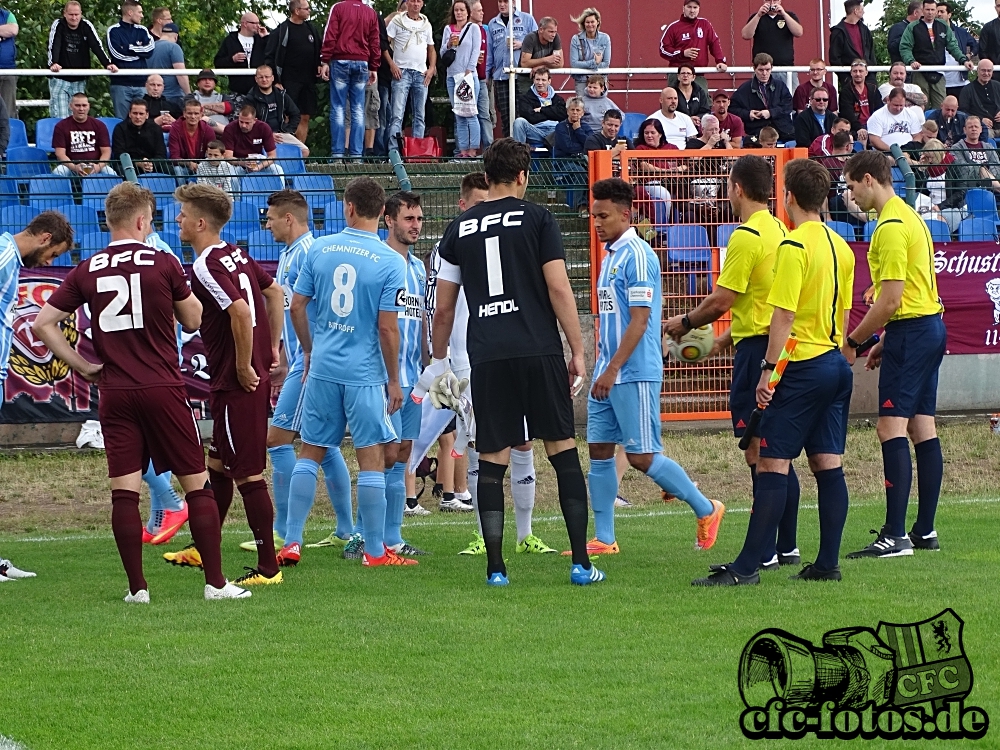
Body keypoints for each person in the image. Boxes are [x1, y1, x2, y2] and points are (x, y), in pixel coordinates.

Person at [32, 184, 250, 601]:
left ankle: (137, 589)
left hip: (115, 388)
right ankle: (216, 584)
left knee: (124, 492)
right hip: (162, 386)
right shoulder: (162, 260)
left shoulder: (88, 267)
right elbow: (192, 320)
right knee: (197, 483)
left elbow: (43, 323)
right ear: (141, 221)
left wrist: (83, 366)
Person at [427, 138, 602, 586]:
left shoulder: (458, 228)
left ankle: (496, 568)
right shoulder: (539, 218)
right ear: (524, 176)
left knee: (493, 456)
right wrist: (578, 350)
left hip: (488, 354)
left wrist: (439, 359)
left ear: (486, 178)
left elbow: (443, 308)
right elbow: (560, 289)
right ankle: (581, 562)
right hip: (538, 348)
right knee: (561, 449)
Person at [693, 158, 855, 586]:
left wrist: (767, 371)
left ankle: (747, 568)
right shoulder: (841, 245)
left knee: (771, 463)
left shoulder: (795, 246)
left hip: (800, 366)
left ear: (788, 198)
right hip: (835, 363)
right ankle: (826, 563)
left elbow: (782, 315)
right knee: (826, 462)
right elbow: (843, 308)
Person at [665, 154, 800, 573]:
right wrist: (722, 341)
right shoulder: (779, 228)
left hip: (756, 352)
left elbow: (724, 298)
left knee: (759, 452)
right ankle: (786, 546)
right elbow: (758, 301)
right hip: (773, 346)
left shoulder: (745, 235)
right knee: (777, 452)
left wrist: (682, 323)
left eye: (727, 185)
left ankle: (767, 550)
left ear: (737, 189)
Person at [587, 177, 725, 557]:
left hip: (633, 371)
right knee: (598, 448)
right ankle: (604, 538)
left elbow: (639, 320)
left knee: (642, 456)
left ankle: (707, 508)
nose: (597, 222)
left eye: (604, 216)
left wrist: (613, 368)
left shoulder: (638, 255)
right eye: (594, 215)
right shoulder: (611, 255)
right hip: (608, 370)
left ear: (625, 215)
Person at [285, 177, 418, 568]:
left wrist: (309, 351)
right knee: (372, 459)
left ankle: (291, 541)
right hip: (364, 373)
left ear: (348, 207)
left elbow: (295, 306)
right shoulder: (390, 260)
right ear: (383, 214)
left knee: (310, 452)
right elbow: (387, 327)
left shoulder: (320, 248)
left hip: (323, 367)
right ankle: (375, 552)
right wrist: (394, 380)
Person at [165, 182, 286, 586]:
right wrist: (272, 348)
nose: (177, 220)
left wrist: (243, 366)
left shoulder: (205, 265)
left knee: (248, 473)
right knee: (216, 464)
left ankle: (269, 568)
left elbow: (237, 311)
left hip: (236, 385)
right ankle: (204, 548)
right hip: (238, 380)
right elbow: (275, 292)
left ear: (200, 222)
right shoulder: (234, 253)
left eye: (182, 214)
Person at [842, 150, 946, 559]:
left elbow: (889, 300)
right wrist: (887, 339)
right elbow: (912, 292)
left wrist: (855, 341)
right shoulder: (909, 214)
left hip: (913, 330)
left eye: (851, 186)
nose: (851, 196)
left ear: (869, 180)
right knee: (922, 427)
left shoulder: (890, 225)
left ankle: (895, 535)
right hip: (927, 326)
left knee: (890, 428)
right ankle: (924, 531)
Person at [253, 190, 355, 558]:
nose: (266, 224)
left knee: (278, 439)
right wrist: (281, 352)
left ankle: (283, 531)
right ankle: (346, 528)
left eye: (271, 219)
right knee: (323, 445)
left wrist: (304, 355)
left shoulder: (308, 254)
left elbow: (301, 309)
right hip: (303, 359)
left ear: (289, 219)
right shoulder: (292, 254)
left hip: (311, 363)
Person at [0, 212, 74, 582]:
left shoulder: (9, 259)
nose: (51, 263)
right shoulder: (3, 253)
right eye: (54, 254)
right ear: (45, 238)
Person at [370, 191, 430, 557]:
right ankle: (366, 534)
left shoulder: (418, 268)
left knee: (405, 451)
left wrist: (428, 365)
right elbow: (380, 324)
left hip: (413, 375)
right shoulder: (378, 260)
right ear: (388, 220)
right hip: (382, 375)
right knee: (382, 454)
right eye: (409, 219)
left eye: (419, 219)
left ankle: (393, 538)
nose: (416, 226)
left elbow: (420, 319)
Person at [265, 0, 324, 145]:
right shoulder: (281, 30)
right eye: (306, 8)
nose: (309, 11)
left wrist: (320, 65)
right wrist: (276, 81)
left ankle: (300, 152)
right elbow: (270, 57)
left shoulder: (311, 29)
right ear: (297, 11)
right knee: (288, 116)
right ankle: (287, 152)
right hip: (288, 81)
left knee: (305, 117)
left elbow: (319, 50)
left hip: (308, 81)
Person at [47, 1, 117, 120]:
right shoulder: (59, 24)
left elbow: (96, 45)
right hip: (60, 78)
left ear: (81, 14)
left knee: (79, 117)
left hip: (79, 80)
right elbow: (54, 44)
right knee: (60, 117)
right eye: (71, 14)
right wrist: (54, 63)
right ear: (65, 14)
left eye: (76, 14)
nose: (74, 18)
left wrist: (107, 63)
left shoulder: (86, 26)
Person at [899, 0, 973, 111]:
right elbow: (905, 47)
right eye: (927, 9)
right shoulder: (913, 27)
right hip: (920, 71)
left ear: (936, 11)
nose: (930, 12)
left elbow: (953, 46)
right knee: (920, 106)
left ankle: (939, 128)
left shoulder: (943, 26)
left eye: (933, 9)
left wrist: (963, 60)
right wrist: (911, 61)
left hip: (939, 71)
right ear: (923, 10)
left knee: (940, 107)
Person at [386, 0, 436, 148]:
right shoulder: (397, 21)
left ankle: (416, 152)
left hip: (421, 73)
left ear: (422, 4)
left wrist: (431, 68)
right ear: (407, 3)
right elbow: (383, 44)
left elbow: (431, 49)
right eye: (413, 1)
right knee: (397, 115)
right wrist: (392, 64)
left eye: (418, 1)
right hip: (402, 72)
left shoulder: (426, 24)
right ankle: (393, 151)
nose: (415, 4)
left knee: (420, 116)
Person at [485, 0, 537, 134]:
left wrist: (522, 44)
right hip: (501, 75)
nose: (502, 5)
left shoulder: (526, 19)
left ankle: (522, 148)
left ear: (513, 2)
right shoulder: (493, 23)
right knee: (505, 115)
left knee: (523, 112)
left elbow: (538, 43)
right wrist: (487, 74)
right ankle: (508, 149)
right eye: (499, 1)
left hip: (522, 74)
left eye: (505, 1)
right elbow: (489, 51)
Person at [440, 0, 482, 158]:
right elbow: (442, 53)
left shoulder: (473, 28)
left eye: (462, 10)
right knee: (459, 114)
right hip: (452, 76)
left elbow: (475, 50)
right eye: (456, 10)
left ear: (467, 12)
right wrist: (448, 44)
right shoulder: (447, 29)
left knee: (470, 113)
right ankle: (463, 149)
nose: (459, 13)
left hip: (467, 76)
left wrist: (469, 70)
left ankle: (473, 150)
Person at [244, 64, 308, 156]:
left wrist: (289, 130)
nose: (264, 80)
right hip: (260, 136)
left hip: (281, 134)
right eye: (261, 77)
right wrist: (267, 135)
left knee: (304, 151)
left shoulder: (281, 95)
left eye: (267, 77)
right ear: (256, 79)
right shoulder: (250, 98)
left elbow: (295, 113)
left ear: (272, 78)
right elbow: (249, 121)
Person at [106, 0, 155, 120]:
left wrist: (128, 47)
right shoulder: (113, 30)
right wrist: (139, 52)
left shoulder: (143, 30)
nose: (142, 16)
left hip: (141, 84)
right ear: (129, 12)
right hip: (120, 84)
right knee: (121, 122)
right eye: (140, 12)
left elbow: (149, 51)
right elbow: (117, 54)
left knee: (142, 122)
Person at [730, 53, 794, 143]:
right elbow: (732, 109)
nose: (764, 73)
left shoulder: (780, 85)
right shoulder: (744, 89)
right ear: (754, 69)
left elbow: (788, 105)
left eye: (767, 70)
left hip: (783, 132)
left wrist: (770, 112)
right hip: (757, 134)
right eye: (761, 70)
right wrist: (748, 114)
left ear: (772, 68)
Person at [659, 0, 728, 81]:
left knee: (702, 93)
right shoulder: (674, 27)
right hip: (677, 74)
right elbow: (663, 50)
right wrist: (683, 53)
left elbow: (714, 43)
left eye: (695, 7)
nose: (692, 10)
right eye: (689, 7)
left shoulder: (705, 24)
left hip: (698, 73)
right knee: (672, 94)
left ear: (699, 9)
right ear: (683, 8)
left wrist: (720, 61)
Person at [52, 93, 114, 176]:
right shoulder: (61, 126)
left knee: (111, 174)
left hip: (95, 166)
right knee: (58, 172)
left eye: (84, 105)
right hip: (70, 167)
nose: (81, 109)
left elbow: (106, 151)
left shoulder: (99, 125)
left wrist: (98, 166)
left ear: (89, 106)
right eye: (77, 105)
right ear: (71, 106)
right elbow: (60, 154)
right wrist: (74, 167)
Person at [213, 13, 269, 97]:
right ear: (245, 24)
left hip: (260, 90)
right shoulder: (230, 40)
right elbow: (218, 62)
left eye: (258, 23)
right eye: (255, 23)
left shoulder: (262, 40)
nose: (258, 26)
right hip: (237, 91)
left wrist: (266, 37)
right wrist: (232, 59)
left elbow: (273, 57)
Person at [221, 105, 282, 177]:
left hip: (257, 161)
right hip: (237, 163)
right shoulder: (230, 128)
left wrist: (260, 166)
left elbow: (272, 156)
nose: (243, 125)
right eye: (241, 122)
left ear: (254, 121)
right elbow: (228, 157)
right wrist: (243, 162)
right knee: (230, 174)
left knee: (278, 170)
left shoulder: (264, 128)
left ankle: (282, 188)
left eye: (247, 123)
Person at [512, 66, 566, 144]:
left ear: (549, 81)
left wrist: (541, 110)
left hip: (555, 132)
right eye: (537, 79)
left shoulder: (558, 99)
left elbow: (563, 114)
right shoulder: (525, 98)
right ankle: (519, 154)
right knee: (519, 122)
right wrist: (553, 113)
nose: (540, 83)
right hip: (535, 132)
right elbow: (530, 117)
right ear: (533, 80)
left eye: (543, 80)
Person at [829, 0, 876, 88]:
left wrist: (872, 72)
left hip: (868, 77)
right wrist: (845, 78)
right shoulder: (838, 32)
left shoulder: (865, 30)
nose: (864, 11)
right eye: (862, 9)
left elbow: (871, 52)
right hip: (848, 78)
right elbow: (834, 58)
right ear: (855, 11)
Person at [741, 0, 802, 67]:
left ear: (780, 1)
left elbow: (799, 33)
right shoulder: (756, 17)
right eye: (768, 0)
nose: (772, 3)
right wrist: (758, 15)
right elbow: (746, 35)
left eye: (775, 0)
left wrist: (784, 14)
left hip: (785, 67)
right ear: (764, 2)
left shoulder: (789, 16)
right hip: (762, 68)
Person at [937, 2, 978, 102]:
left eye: (942, 11)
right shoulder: (931, 31)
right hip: (939, 81)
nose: (939, 14)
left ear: (949, 14)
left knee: (962, 110)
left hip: (960, 81)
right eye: (937, 11)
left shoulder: (961, 32)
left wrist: (969, 55)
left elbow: (976, 45)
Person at [111, 99, 166, 173]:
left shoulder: (155, 129)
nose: (138, 117)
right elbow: (119, 154)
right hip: (129, 165)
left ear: (147, 115)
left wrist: (151, 163)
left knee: (171, 170)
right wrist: (137, 163)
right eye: (135, 113)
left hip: (151, 165)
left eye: (141, 114)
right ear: (130, 114)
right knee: (123, 170)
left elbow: (161, 154)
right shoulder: (120, 128)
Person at [569, 7, 610, 98]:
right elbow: (574, 63)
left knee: (600, 107)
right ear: (583, 23)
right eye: (587, 22)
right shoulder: (576, 39)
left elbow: (606, 63)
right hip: (582, 80)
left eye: (592, 22)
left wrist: (594, 64)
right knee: (583, 107)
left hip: (600, 80)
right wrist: (594, 63)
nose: (590, 24)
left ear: (598, 22)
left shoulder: (605, 38)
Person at [866, 87, 924, 152]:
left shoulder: (911, 114)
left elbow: (918, 136)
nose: (898, 108)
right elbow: (874, 140)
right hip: (886, 153)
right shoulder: (877, 116)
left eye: (901, 105)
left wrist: (909, 150)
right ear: (888, 100)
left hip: (909, 151)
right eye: (895, 105)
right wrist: (895, 151)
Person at [168, 98, 215, 177]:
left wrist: (202, 166)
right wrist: (189, 163)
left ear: (201, 114)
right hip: (184, 167)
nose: (193, 117)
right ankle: (182, 189)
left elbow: (213, 153)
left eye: (196, 113)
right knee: (178, 170)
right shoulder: (175, 129)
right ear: (184, 114)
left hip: (203, 166)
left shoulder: (208, 130)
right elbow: (174, 157)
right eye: (190, 113)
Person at [145, 21, 187, 106]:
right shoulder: (174, 47)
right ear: (176, 37)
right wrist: (188, 94)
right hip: (173, 96)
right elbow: (181, 74)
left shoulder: (149, 47)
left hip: (152, 96)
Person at [839, 59, 881, 139]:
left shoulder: (873, 89)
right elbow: (847, 114)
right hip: (855, 127)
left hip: (874, 125)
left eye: (861, 71)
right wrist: (859, 128)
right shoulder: (846, 91)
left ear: (866, 73)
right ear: (851, 73)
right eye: (855, 71)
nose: (858, 74)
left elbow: (879, 110)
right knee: (861, 137)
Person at [959, 60, 1000, 140]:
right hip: (983, 129)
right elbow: (963, 113)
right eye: (983, 70)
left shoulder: (998, 86)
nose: (986, 73)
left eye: (989, 71)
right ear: (977, 71)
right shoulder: (967, 90)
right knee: (984, 134)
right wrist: (980, 120)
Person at [470, 2, 492, 149]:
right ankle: (466, 149)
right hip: (468, 78)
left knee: (485, 114)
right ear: (470, 12)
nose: (482, 13)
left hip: (482, 77)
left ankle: (489, 150)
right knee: (466, 114)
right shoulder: (465, 30)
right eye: (479, 11)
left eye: (482, 10)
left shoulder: (484, 30)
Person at [191, 70, 232, 135]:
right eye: (204, 79)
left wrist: (202, 107)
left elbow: (228, 108)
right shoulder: (191, 96)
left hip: (224, 134)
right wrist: (218, 110)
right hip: (202, 133)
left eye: (210, 79)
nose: (207, 82)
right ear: (198, 83)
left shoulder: (222, 96)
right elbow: (192, 110)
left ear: (214, 84)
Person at [889, 1, 922, 68]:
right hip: (903, 71)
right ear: (915, 13)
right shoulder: (898, 27)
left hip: (919, 70)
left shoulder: (922, 29)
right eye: (923, 13)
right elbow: (892, 48)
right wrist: (908, 36)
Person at [0, 4, 17, 119]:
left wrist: (7, 31)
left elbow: (13, 30)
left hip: (8, 70)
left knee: (8, 110)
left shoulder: (7, 15)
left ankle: (9, 137)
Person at [981, 0, 1000, 68]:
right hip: (994, 72)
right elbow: (982, 51)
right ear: (995, 8)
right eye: (999, 6)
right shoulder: (988, 27)